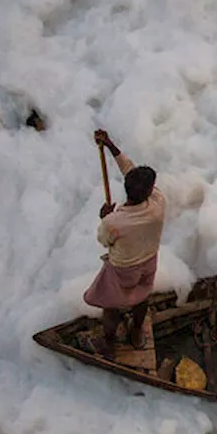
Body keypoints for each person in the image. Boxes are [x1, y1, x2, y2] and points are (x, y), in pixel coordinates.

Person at [82, 130, 165, 357]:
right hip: (149, 262)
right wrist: (110, 146)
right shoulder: (158, 203)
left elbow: (103, 241)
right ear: (148, 191)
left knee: (112, 305)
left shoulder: (114, 221)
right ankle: (136, 332)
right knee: (142, 297)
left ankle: (108, 343)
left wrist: (104, 217)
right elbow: (130, 170)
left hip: (123, 269)